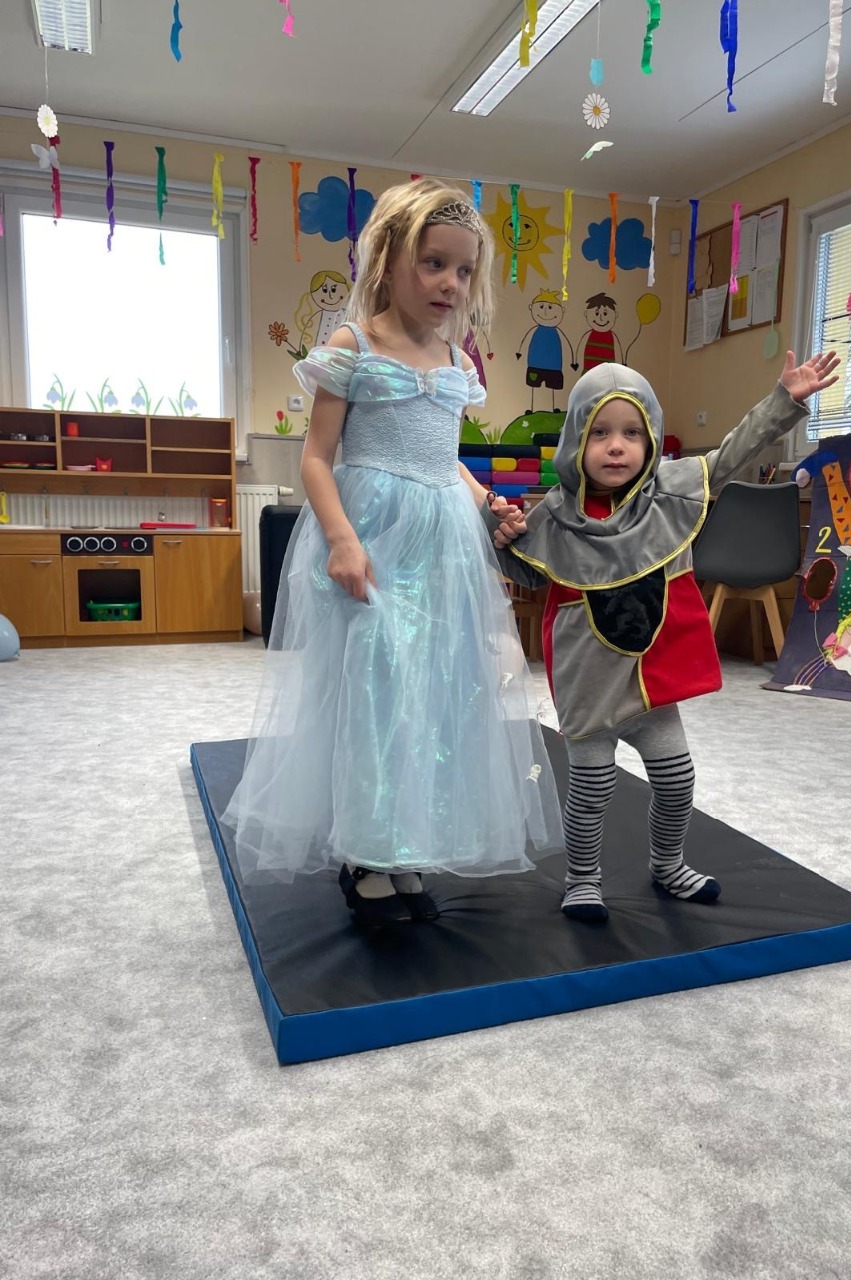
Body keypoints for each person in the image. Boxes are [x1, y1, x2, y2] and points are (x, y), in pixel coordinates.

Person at [223, 178, 561, 926]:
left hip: (441, 547)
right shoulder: (355, 346)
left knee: (435, 694)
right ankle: (365, 855)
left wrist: (488, 502)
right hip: (372, 542)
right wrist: (342, 540)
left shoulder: (456, 361)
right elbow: (316, 458)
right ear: (389, 260)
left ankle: (405, 843)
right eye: (433, 263)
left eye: (464, 270)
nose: (450, 284)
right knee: (375, 692)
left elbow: (446, 461)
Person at [487, 351, 840, 922]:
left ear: (651, 437)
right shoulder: (554, 515)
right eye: (600, 432)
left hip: (652, 685)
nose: (616, 446)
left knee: (677, 782)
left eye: (632, 432)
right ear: (577, 440)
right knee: (592, 788)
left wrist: (783, 402)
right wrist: (500, 536)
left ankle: (668, 863)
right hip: (589, 686)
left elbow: (733, 452)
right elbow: (529, 575)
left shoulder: (671, 495)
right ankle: (583, 879)